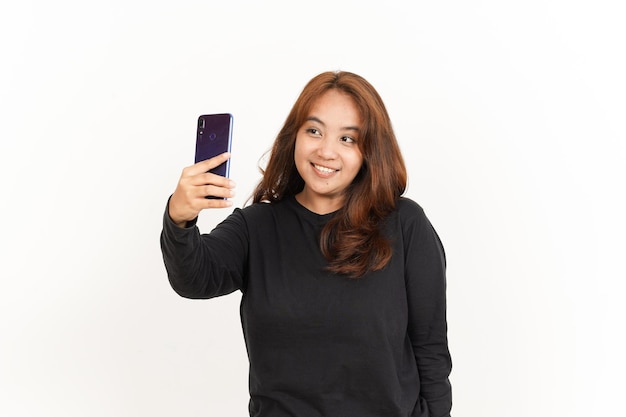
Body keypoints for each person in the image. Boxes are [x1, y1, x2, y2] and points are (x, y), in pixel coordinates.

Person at [160, 71, 452, 417]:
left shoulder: (405, 224)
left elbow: (430, 350)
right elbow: (194, 278)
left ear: (369, 151)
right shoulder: (257, 227)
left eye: (348, 139)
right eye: (314, 131)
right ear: (294, 137)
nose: (326, 150)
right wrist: (180, 217)